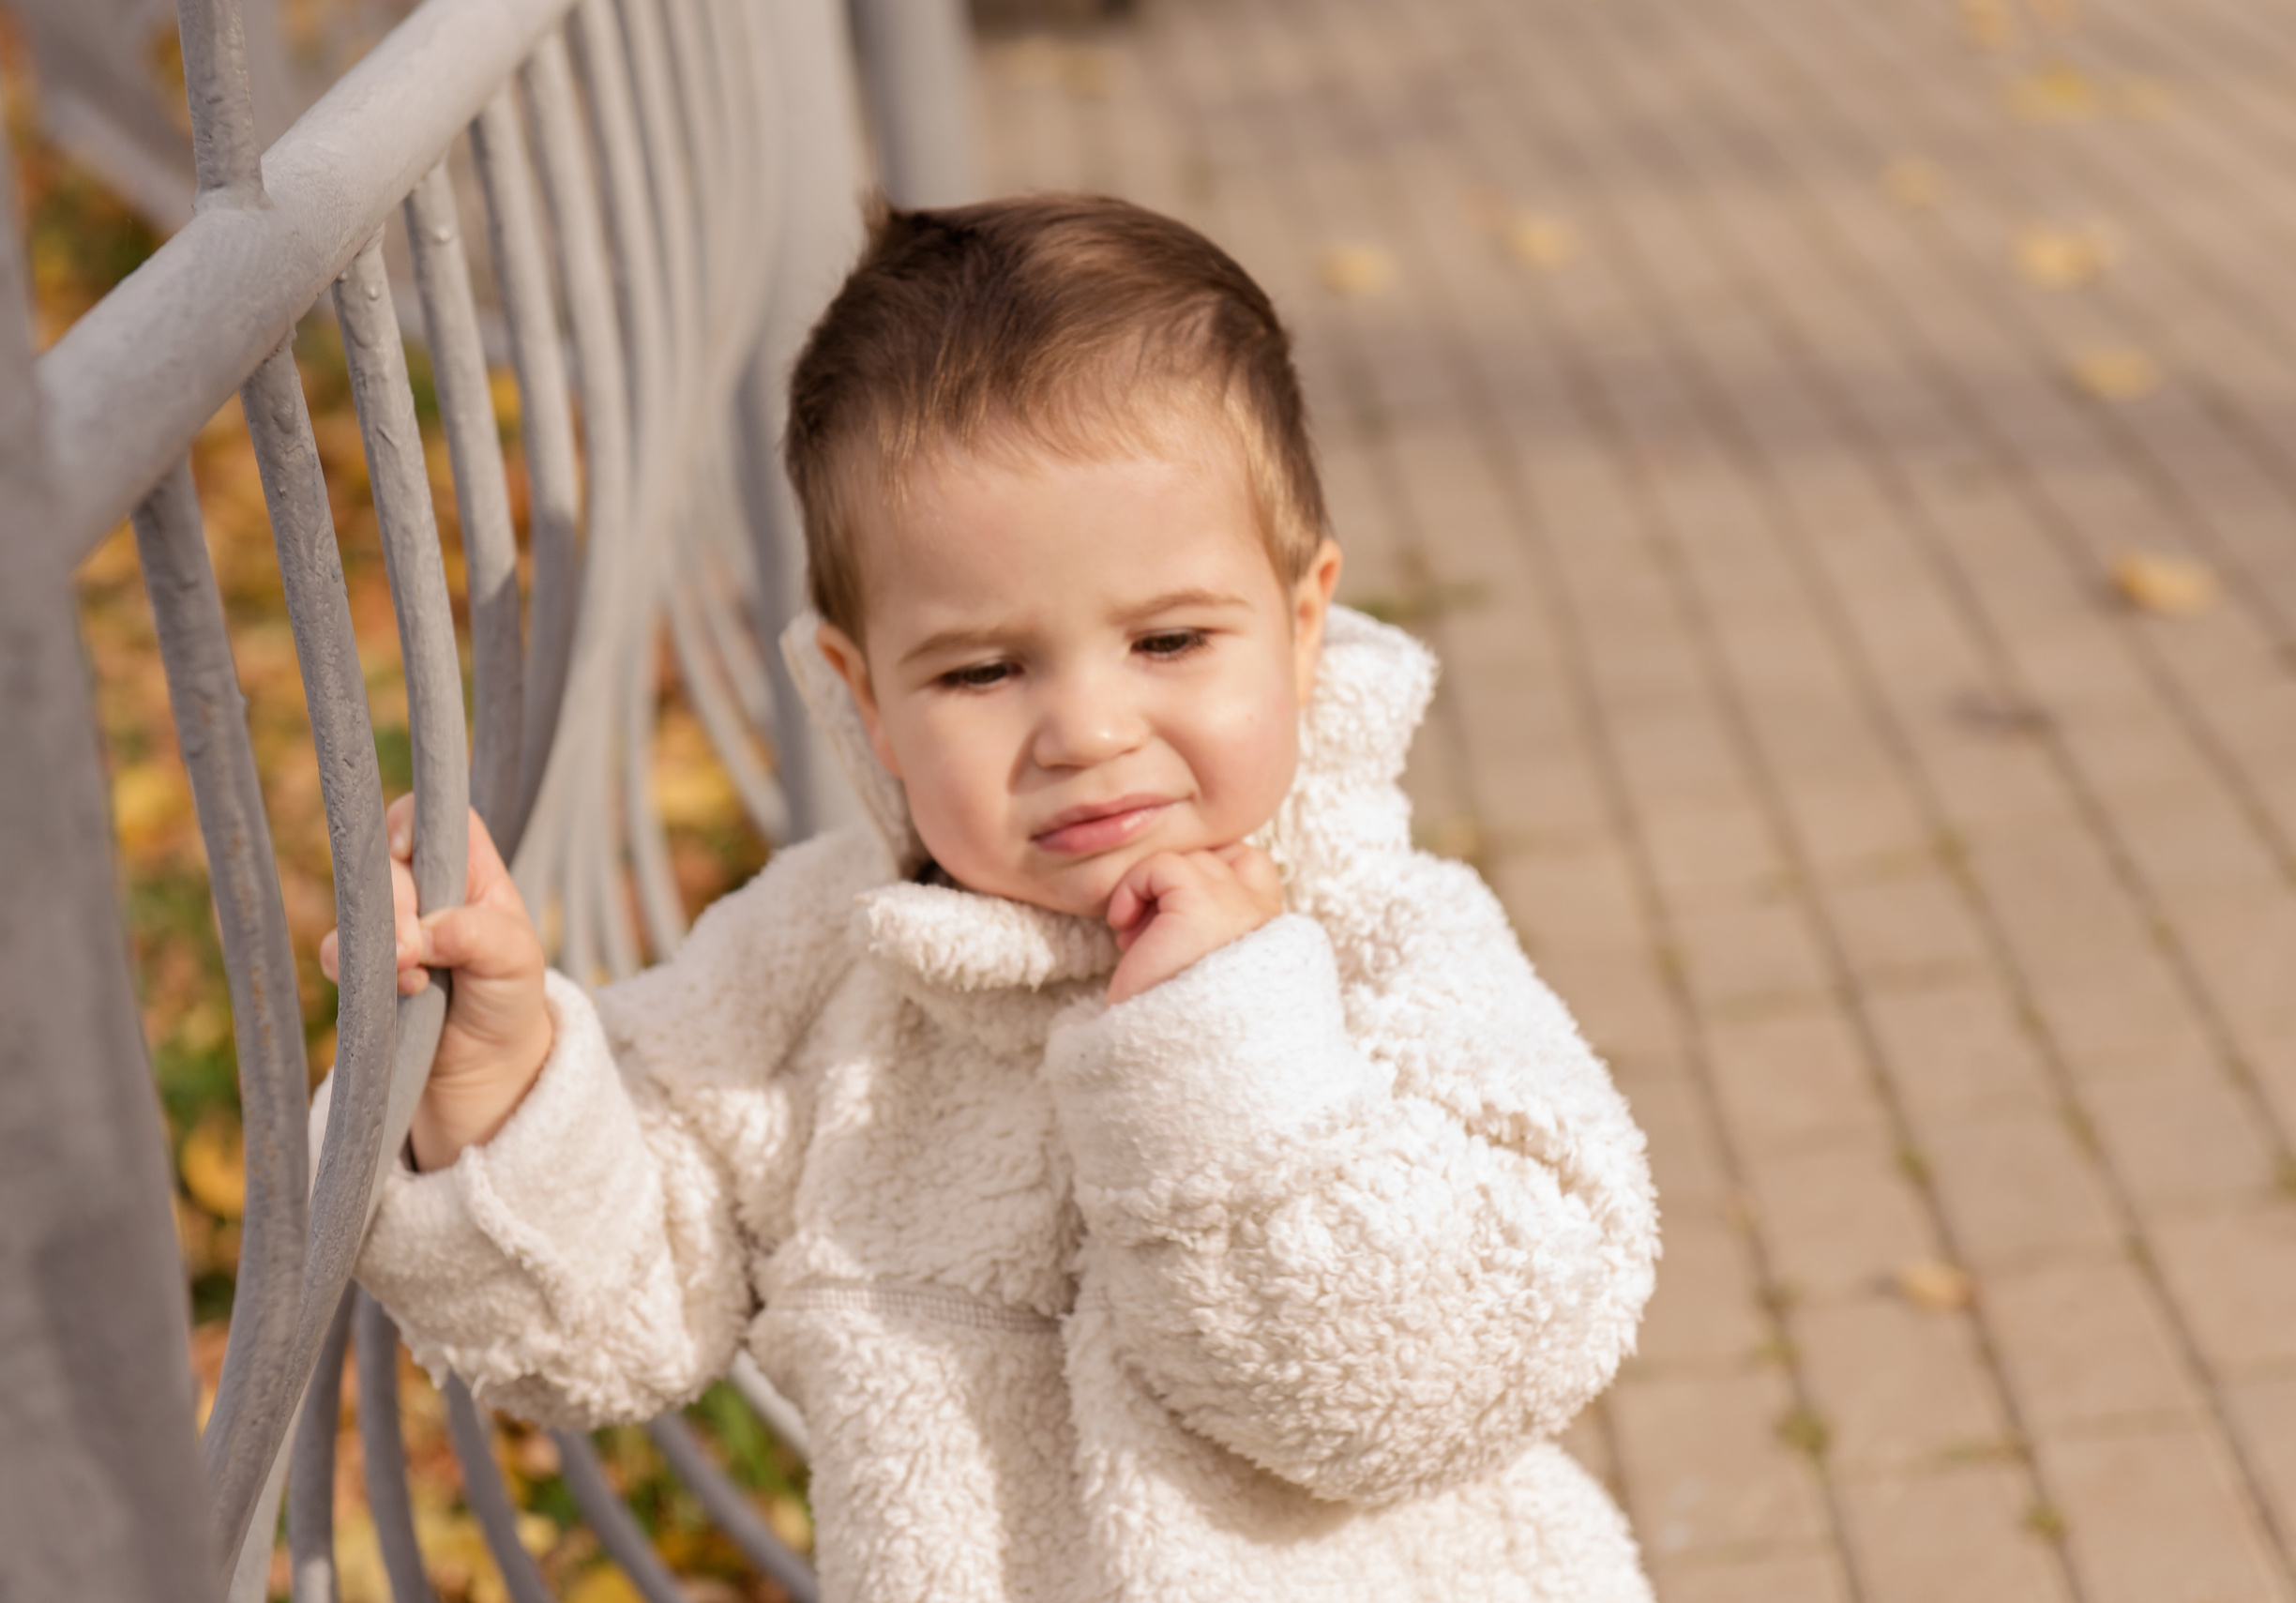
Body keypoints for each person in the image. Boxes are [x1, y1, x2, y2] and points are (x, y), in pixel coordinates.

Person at [322, 193, 1658, 1602]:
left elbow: (1458, 1365)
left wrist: (1225, 1048)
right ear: (867, 698)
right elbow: (609, 1316)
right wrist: (501, 1087)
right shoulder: (818, 971)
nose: (1086, 728)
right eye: (980, 671)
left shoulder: (1389, 940)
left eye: (1170, 639)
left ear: (1303, 620)